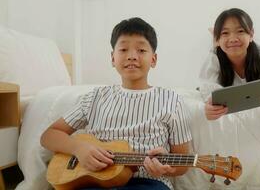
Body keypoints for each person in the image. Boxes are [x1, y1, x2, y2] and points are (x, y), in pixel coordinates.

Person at [40, 17, 192, 190]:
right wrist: (79, 149)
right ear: (113, 58)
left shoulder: (173, 102)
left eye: (141, 50)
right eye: (123, 49)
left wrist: (167, 168)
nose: (132, 56)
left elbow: (183, 165)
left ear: (154, 59)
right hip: (94, 180)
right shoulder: (95, 97)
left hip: (149, 182)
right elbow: (49, 136)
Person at [199, 8, 260, 120]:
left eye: (240, 31)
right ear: (217, 39)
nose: (233, 39)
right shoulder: (215, 58)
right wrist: (210, 107)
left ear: (251, 35)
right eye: (225, 33)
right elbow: (207, 89)